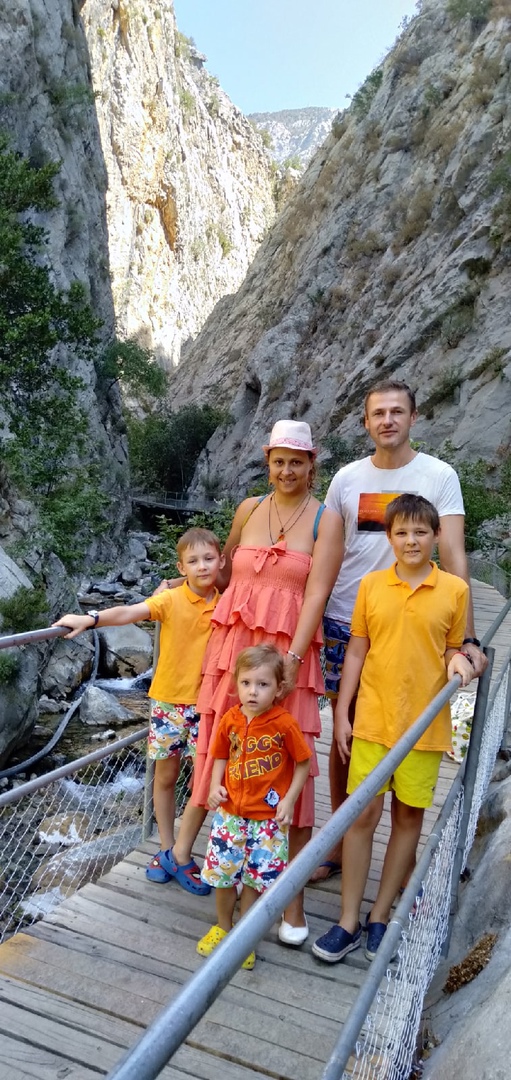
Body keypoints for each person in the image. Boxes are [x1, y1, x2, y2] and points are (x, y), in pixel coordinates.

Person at [169, 419, 343, 945]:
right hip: (233, 653)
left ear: (311, 465)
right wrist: (182, 585)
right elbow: (223, 575)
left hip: (289, 656)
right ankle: (229, 867)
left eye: (297, 461)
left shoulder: (326, 519)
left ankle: (292, 904)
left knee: (291, 760)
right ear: (268, 462)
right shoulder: (248, 509)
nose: (287, 470)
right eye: (279, 461)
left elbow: (317, 594)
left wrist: (292, 659)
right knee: (225, 751)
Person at [311, 378, 487, 883]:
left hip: (415, 626)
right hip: (346, 621)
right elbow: (327, 555)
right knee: (347, 736)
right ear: (365, 422)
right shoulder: (347, 478)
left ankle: (399, 861)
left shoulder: (439, 475)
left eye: (396, 411)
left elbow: (452, 555)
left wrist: (467, 638)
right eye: (377, 413)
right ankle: (341, 843)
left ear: (413, 417)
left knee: (410, 733)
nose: (387, 420)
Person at [312, 493, 476, 964]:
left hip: (424, 726)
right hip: (373, 719)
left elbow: (452, 646)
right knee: (362, 816)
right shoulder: (371, 585)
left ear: (436, 535)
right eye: (401, 532)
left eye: (420, 531)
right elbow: (357, 651)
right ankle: (348, 920)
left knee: (408, 818)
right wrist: (342, 713)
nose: (411, 540)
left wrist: (458, 661)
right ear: (389, 537)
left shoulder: (454, 590)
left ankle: (381, 915)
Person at [54, 527, 224, 896]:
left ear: (221, 561)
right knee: (165, 777)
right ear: (181, 567)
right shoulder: (170, 599)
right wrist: (90, 618)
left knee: (202, 783)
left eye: (209, 558)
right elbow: (129, 612)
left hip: (208, 707)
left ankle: (181, 854)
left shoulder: (227, 602)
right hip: (167, 702)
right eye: (193, 561)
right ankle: (166, 848)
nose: (202, 566)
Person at [197, 644, 312, 969]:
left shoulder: (283, 724)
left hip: (267, 821)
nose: (253, 691)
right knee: (224, 875)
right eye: (246, 683)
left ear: (278, 688)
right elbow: (220, 754)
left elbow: (303, 762)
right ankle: (223, 926)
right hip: (230, 816)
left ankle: (243, 938)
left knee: (253, 879)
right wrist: (215, 786)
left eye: (263, 684)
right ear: (236, 683)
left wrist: (289, 799)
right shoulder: (231, 719)